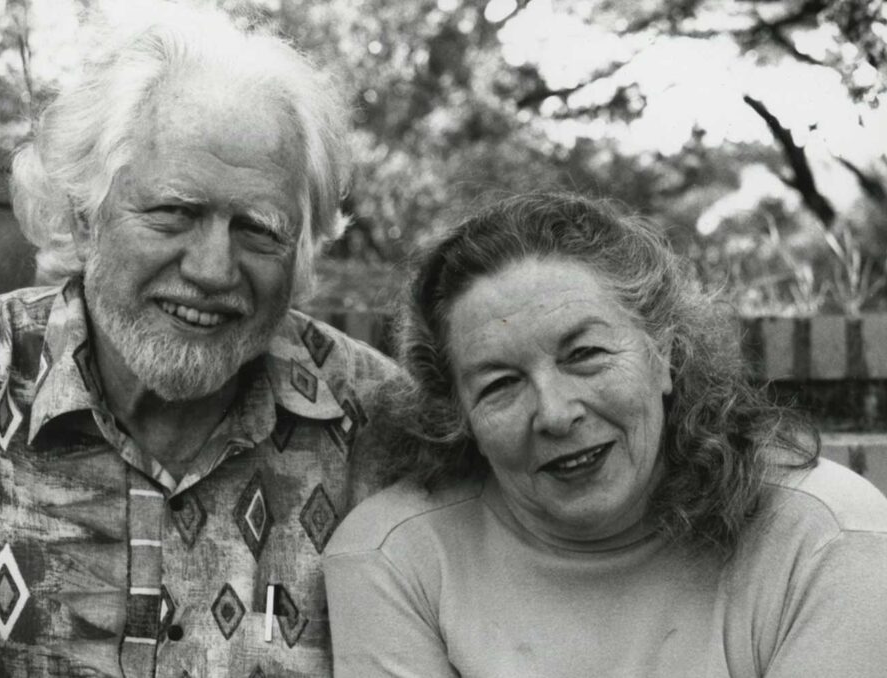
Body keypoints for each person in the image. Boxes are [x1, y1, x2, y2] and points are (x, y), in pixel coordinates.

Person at [0, 5, 399, 676]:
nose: (212, 270)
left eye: (258, 228)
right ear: (83, 218)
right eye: (175, 212)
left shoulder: (380, 422)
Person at [323, 192, 887, 677]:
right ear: (458, 414)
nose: (555, 413)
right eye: (500, 384)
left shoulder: (826, 538)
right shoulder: (396, 559)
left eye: (585, 354)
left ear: (664, 352)